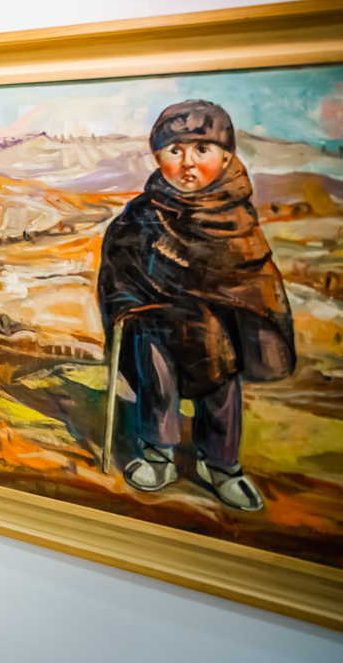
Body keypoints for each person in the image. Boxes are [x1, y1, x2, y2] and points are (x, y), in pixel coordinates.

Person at [98, 100, 296, 512]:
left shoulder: (236, 219)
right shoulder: (143, 213)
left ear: (226, 157)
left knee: (221, 392)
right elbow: (119, 259)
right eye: (175, 151)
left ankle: (221, 466)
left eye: (202, 150)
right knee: (157, 386)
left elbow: (254, 276)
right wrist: (126, 301)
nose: (187, 162)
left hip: (214, 328)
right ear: (157, 157)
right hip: (156, 325)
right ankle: (158, 454)